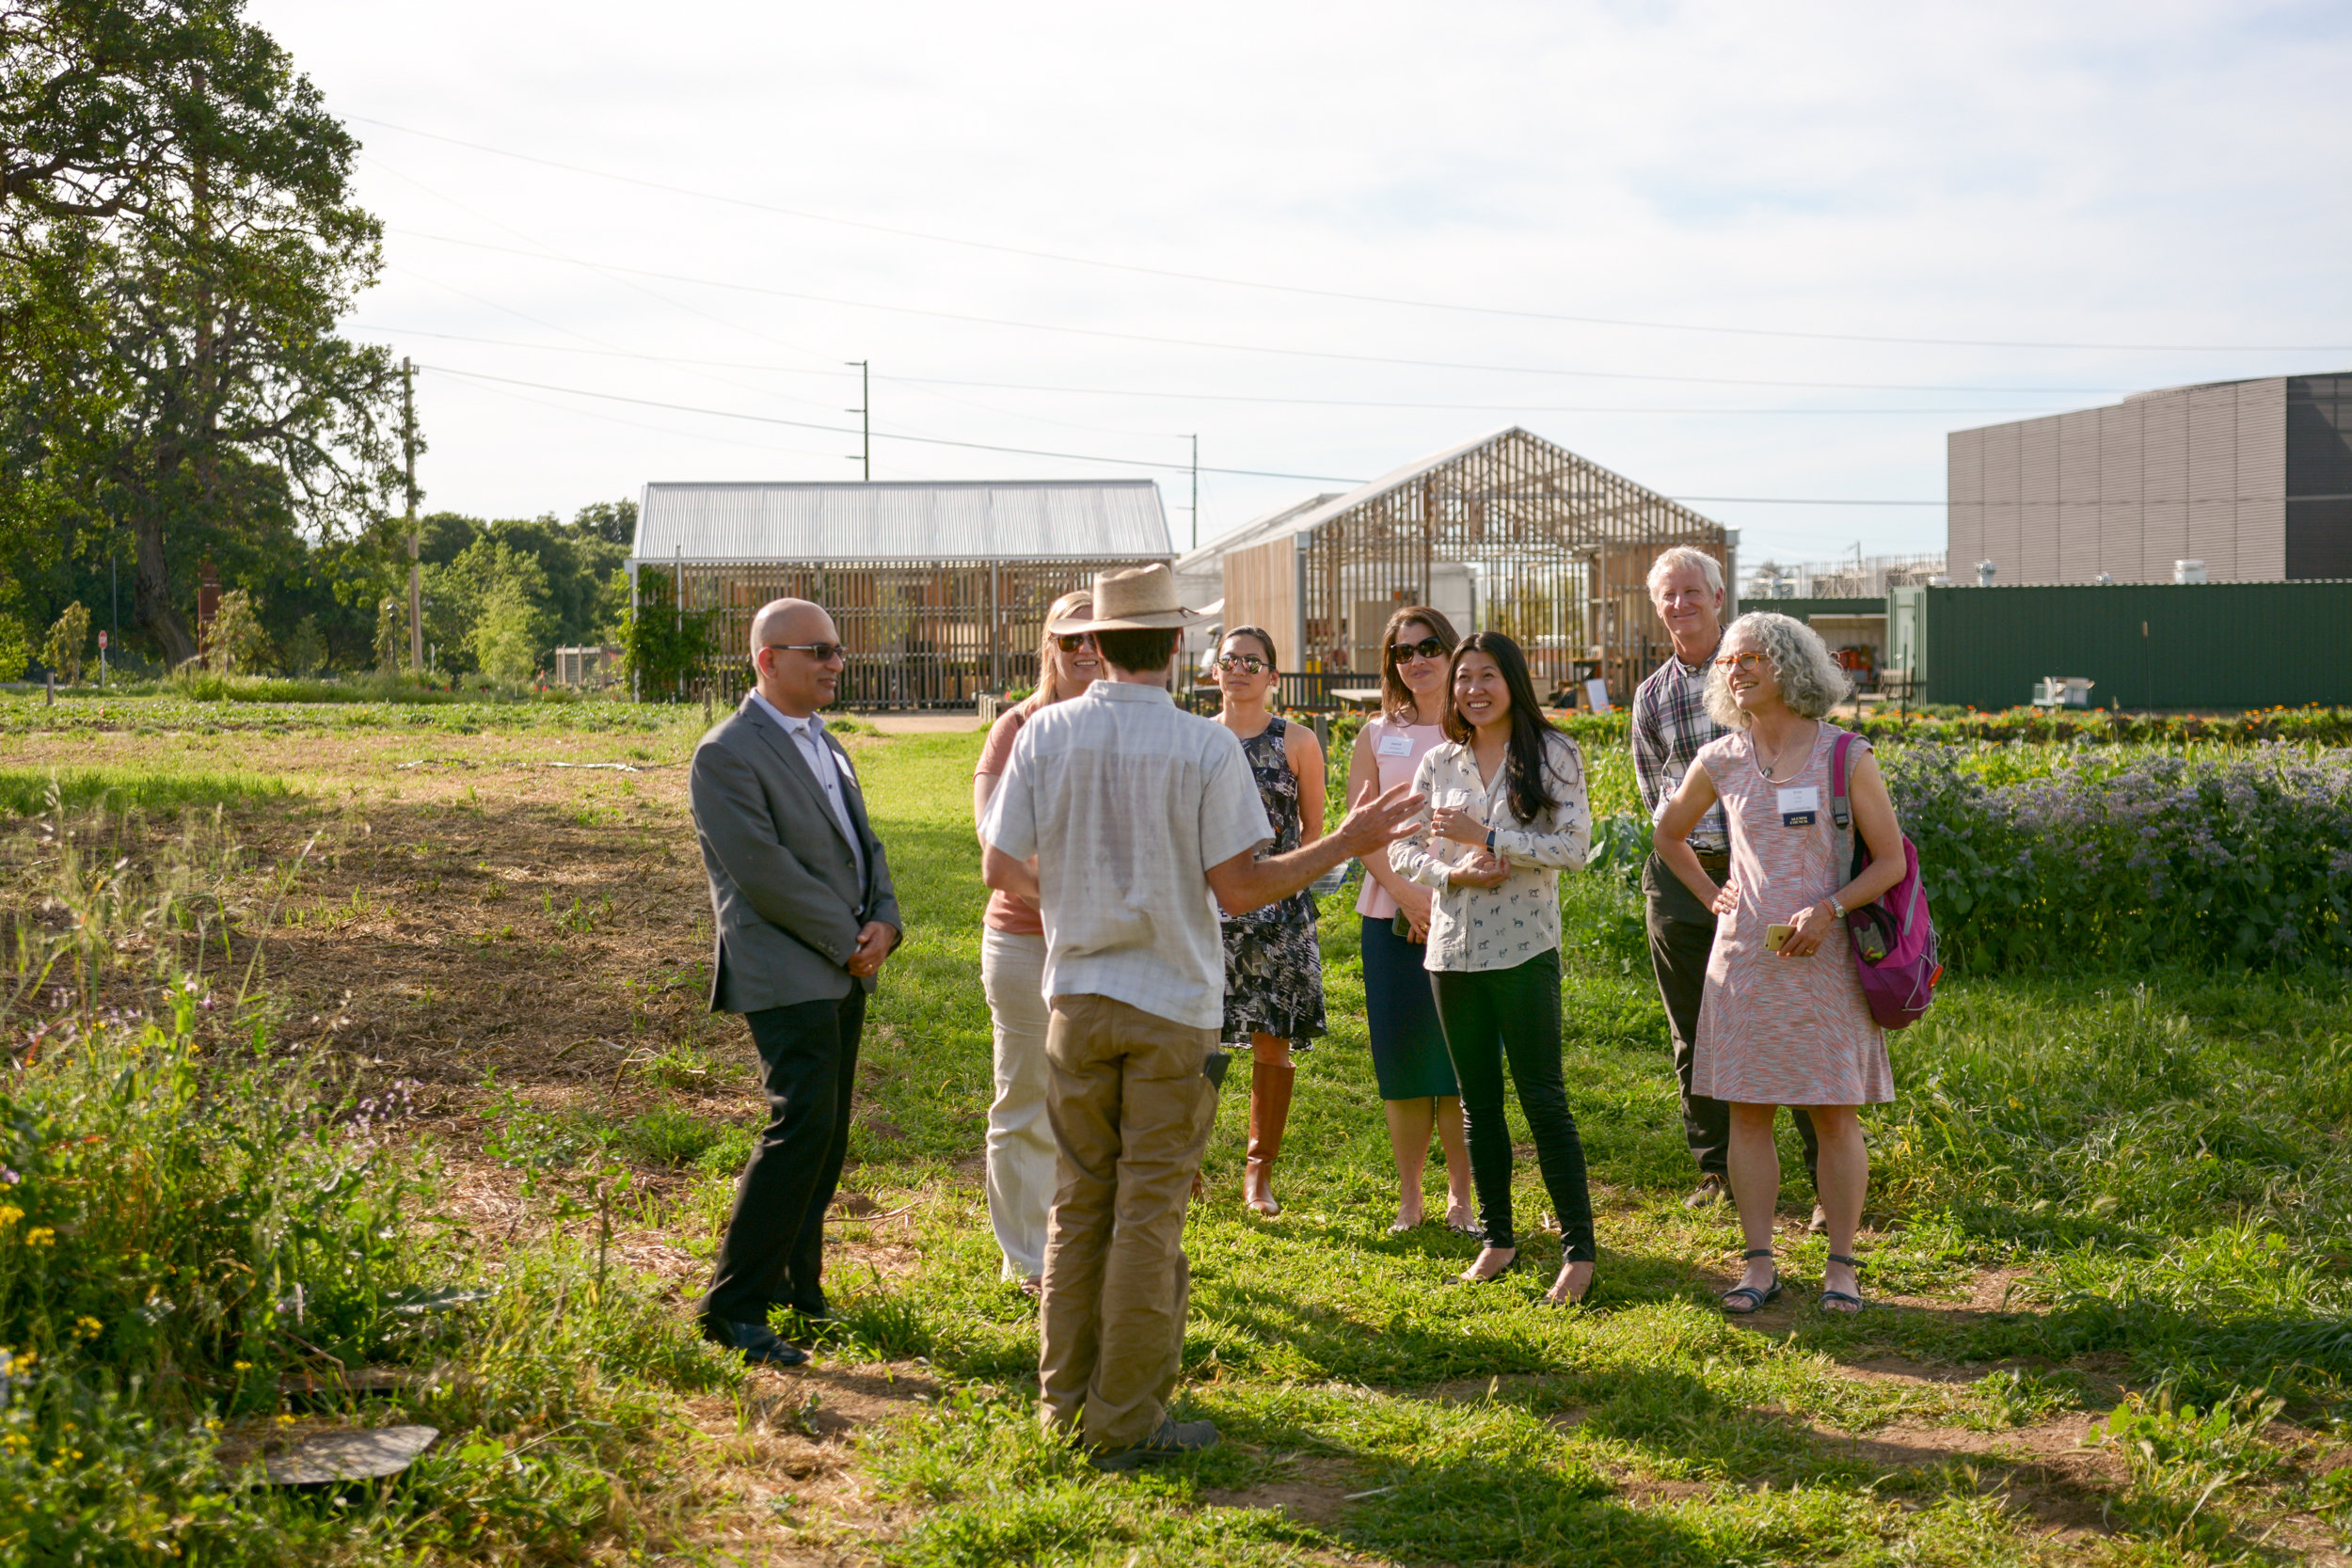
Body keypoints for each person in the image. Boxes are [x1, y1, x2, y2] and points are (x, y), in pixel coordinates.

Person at [979, 563, 1422, 1470]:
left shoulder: (1043, 733)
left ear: (1097, 644)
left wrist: (1074, 900)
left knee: (1077, 1205)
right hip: (1174, 1002)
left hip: (1076, 1000)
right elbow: (1244, 886)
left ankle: (1063, 1408)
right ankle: (1127, 1419)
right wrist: (1345, 842)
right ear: (1179, 644)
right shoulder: (1202, 746)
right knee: (1147, 1214)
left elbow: (998, 861)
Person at [1652, 612, 1907, 1316]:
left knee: (1833, 1116)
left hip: (1827, 964)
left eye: (1753, 656)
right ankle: (1757, 1263)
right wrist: (1712, 895)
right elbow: (1667, 833)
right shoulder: (1722, 758)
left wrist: (1828, 908)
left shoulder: (1846, 754)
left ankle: (1843, 1267)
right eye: (1729, 660)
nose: (1737, 668)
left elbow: (1889, 861)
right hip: (1745, 966)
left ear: (1791, 664)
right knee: (1749, 1116)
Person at [690, 598, 902, 1368]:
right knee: (798, 1129)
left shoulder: (828, 743)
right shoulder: (726, 753)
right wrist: (847, 935)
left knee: (828, 1132)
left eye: (839, 650)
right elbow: (764, 872)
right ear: (766, 659)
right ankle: (732, 1304)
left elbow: (865, 845)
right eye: (818, 650)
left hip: (843, 963)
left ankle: (794, 1288)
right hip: (787, 968)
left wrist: (887, 919)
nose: (835, 663)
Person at [1391, 631, 1598, 1308]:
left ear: (1513, 680)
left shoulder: (1554, 753)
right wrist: (1453, 870)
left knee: (1543, 1098)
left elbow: (1572, 847)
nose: (1473, 689)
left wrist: (1489, 839)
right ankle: (1500, 1237)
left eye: (1487, 676)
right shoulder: (1440, 762)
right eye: (1463, 678)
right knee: (1478, 1103)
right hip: (1451, 951)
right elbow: (1404, 855)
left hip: (1524, 950)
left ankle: (1579, 1250)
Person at [1632, 547, 1822, 1222]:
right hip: (1687, 873)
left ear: (1718, 597)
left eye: (1692, 592)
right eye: (1668, 596)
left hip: (1768, 872)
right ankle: (1717, 1169)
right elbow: (1656, 794)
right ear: (1658, 608)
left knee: (1791, 1013)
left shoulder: (1757, 673)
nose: (1680, 604)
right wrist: (1690, 867)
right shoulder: (1651, 695)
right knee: (1695, 1026)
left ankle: (1823, 1172)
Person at [972, 590, 1100, 1294]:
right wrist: (1067, 892)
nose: (1083, 651)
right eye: (1069, 638)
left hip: (1107, 943)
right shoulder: (1015, 727)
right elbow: (995, 839)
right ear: (1047, 645)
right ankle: (1025, 1258)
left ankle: (1078, 1245)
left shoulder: (1123, 724)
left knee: (1089, 1101)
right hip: (1023, 941)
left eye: (1094, 638)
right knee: (1024, 1096)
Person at [1343, 606, 1476, 1236]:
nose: (1417, 660)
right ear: (1391, 663)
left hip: (1468, 916)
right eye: (1403, 652)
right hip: (1389, 916)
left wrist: (1440, 896)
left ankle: (1462, 1200)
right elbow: (1356, 829)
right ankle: (1410, 1199)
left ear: (1451, 652)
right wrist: (1404, 894)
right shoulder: (1375, 735)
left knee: (1457, 1065)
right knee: (1401, 1067)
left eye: (1429, 647)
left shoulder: (1478, 731)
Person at [1209, 625, 1325, 1218]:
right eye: (1229, 660)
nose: (1239, 669)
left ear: (1273, 676)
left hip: (1279, 915)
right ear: (1213, 672)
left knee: (1271, 1046)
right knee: (1192, 1042)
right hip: (1206, 914)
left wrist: (1291, 897)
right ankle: (1185, 1165)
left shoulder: (1298, 742)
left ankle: (1259, 1175)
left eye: (1252, 662)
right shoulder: (1197, 740)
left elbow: (1313, 834)